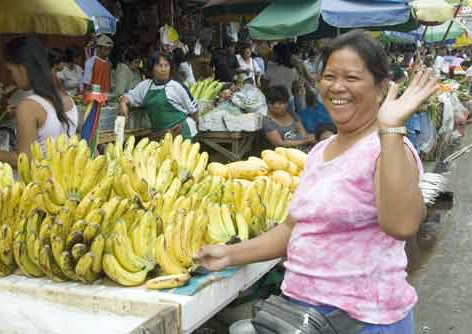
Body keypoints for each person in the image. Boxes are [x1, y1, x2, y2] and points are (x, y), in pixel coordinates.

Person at [195, 30, 439, 334]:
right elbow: (295, 228)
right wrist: (231, 254)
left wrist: (391, 128)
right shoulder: (321, 150)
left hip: (364, 322)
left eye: (351, 78)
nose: (337, 87)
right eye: (329, 76)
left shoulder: (388, 149)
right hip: (304, 316)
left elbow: (402, 225)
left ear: (381, 89)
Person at [0, 37, 78, 166]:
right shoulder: (69, 99)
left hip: (40, 182)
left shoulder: (28, 107)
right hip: (65, 179)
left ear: (22, 69)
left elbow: (25, 161)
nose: (12, 76)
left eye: (11, 70)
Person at [118, 52, 197, 139]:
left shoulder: (176, 86)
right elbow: (130, 96)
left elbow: (193, 112)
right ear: (152, 68)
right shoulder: (145, 86)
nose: (163, 69)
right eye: (159, 65)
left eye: (166, 65)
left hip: (182, 133)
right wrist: (123, 103)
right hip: (160, 135)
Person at [262, 85, 315, 150]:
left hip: (304, 148)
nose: (284, 106)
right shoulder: (267, 121)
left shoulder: (291, 113)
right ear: (269, 104)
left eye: (285, 103)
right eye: (280, 103)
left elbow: (303, 133)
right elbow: (279, 143)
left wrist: (309, 138)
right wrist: (304, 142)